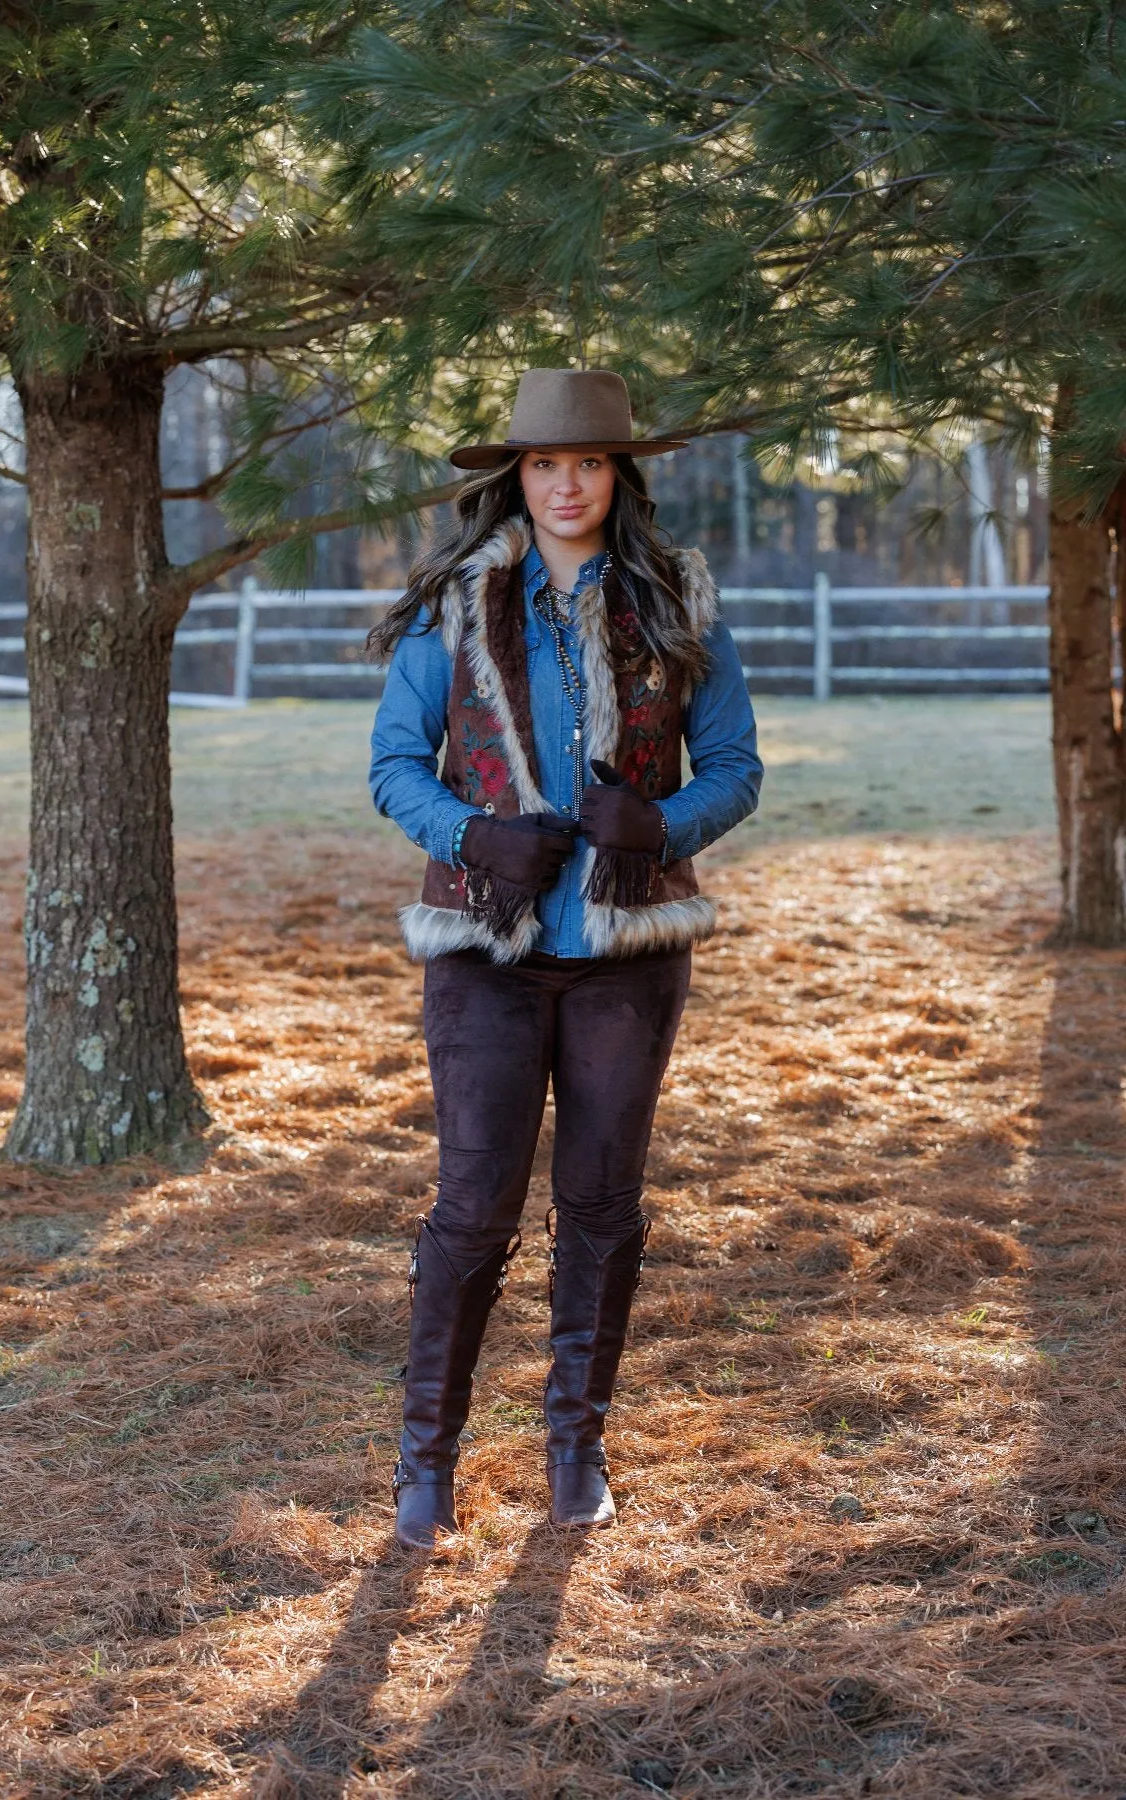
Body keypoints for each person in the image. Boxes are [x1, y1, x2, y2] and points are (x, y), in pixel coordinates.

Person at [368, 368, 762, 1550]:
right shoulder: (455, 600)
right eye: (545, 464)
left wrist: (664, 826)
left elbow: (735, 766)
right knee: (475, 1207)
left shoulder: (676, 599)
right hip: (485, 951)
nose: (567, 483)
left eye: (587, 462)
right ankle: (424, 1461)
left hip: (628, 953)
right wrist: (469, 835)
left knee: (600, 1206)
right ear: (517, 477)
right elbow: (395, 764)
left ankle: (575, 1447)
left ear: (618, 476)